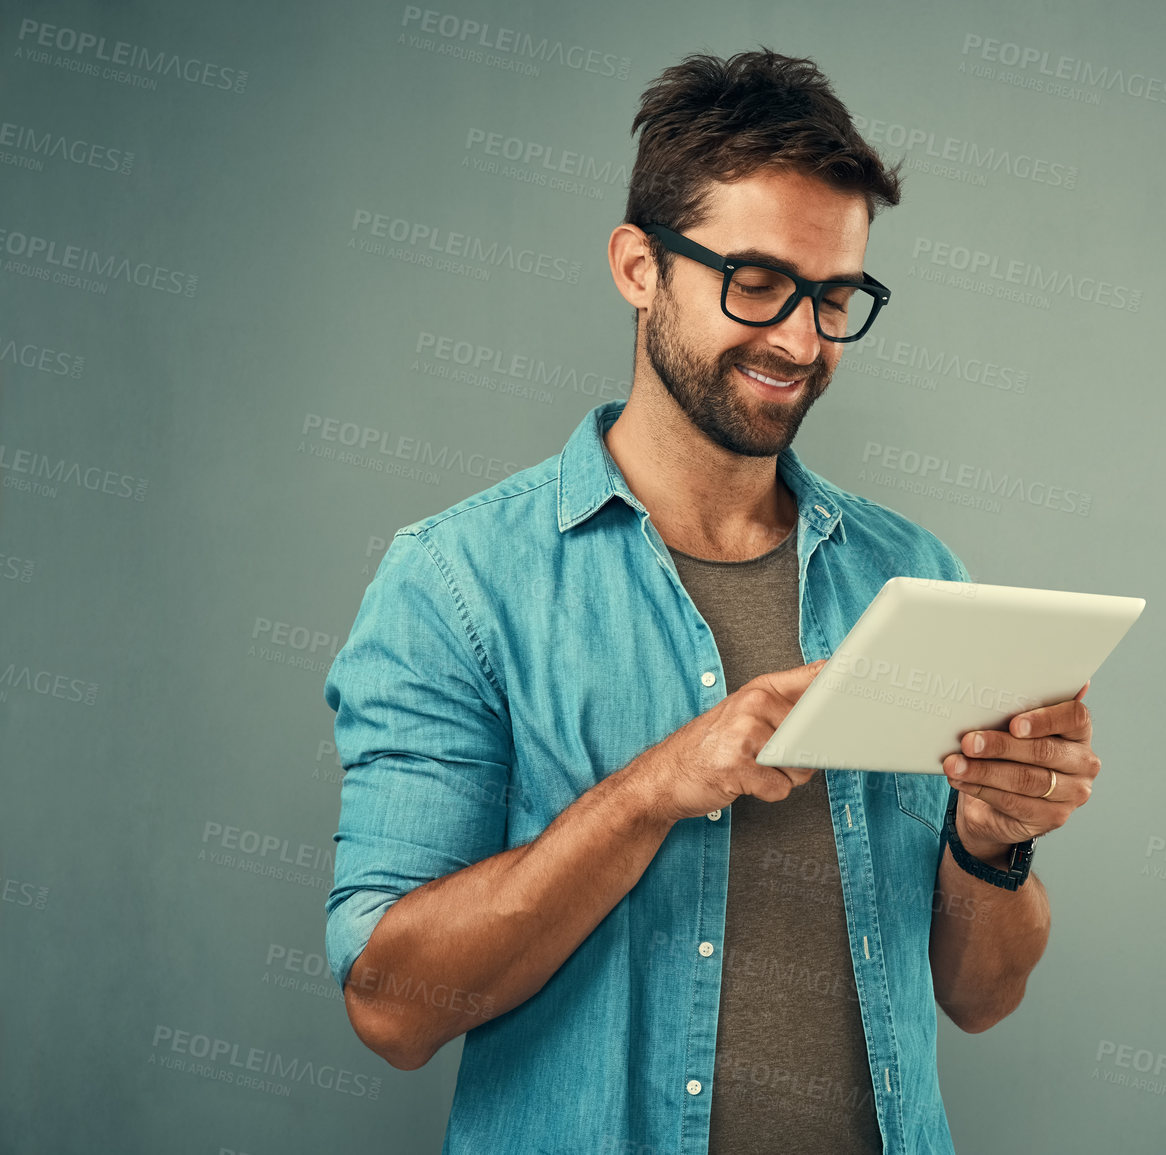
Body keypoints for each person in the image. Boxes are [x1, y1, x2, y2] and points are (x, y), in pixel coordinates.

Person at [323, 48, 1103, 1155]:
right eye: (757, 284)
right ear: (638, 266)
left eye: (836, 298)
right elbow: (392, 1009)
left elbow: (982, 996)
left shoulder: (914, 578)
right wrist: (653, 791)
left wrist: (993, 841)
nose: (800, 339)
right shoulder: (455, 585)